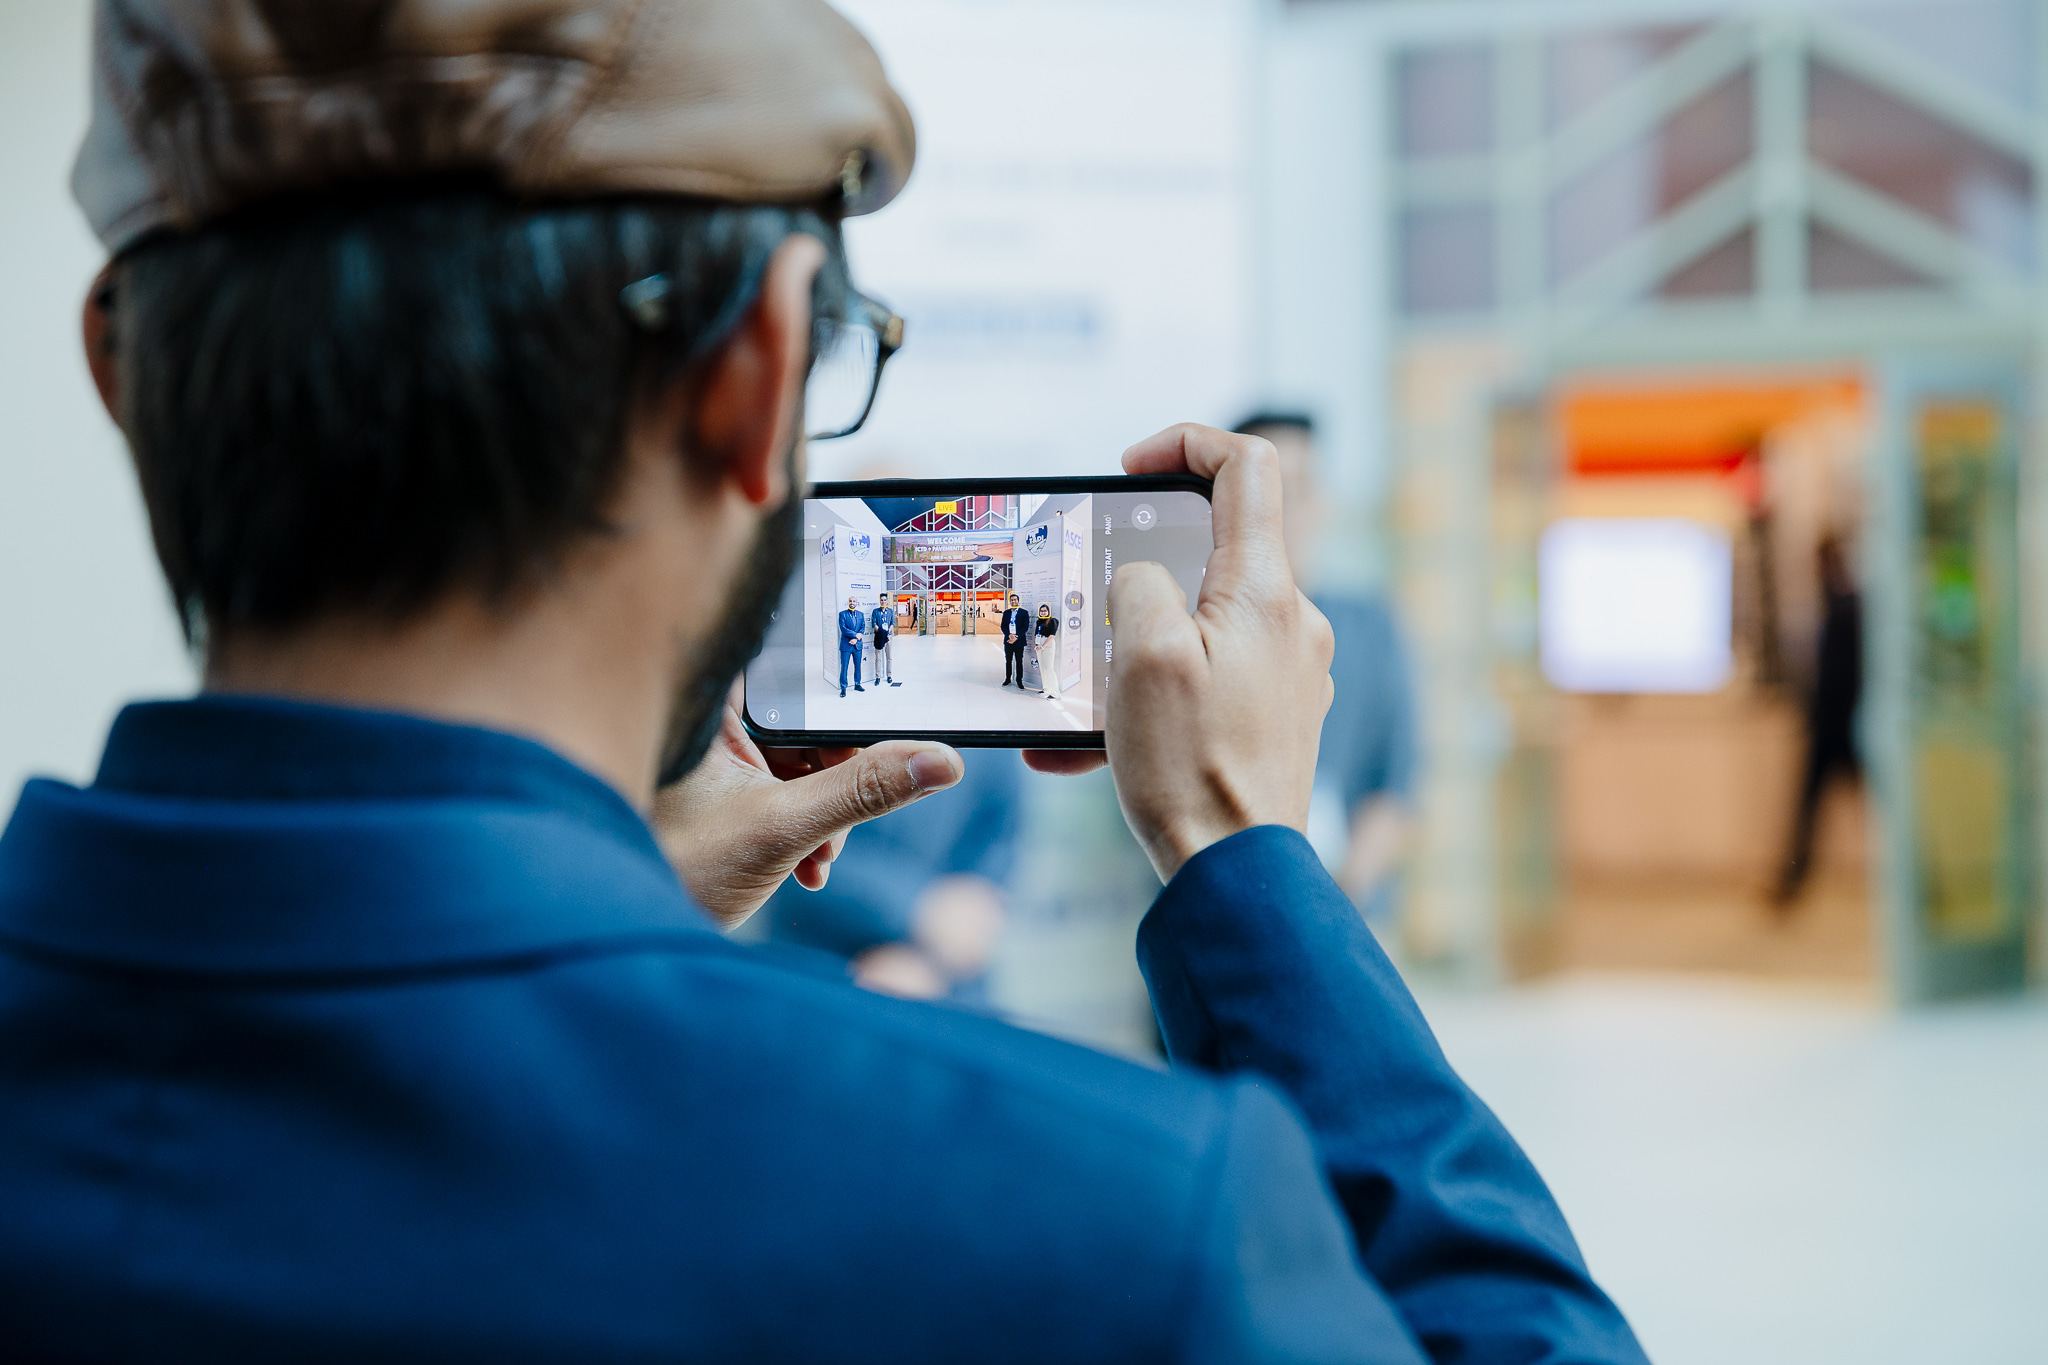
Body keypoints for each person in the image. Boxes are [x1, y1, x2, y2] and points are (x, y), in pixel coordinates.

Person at [0, 4, 1647, 1361]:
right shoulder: (1117, 1232)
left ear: (117, 369)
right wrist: (1243, 860)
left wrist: (600, 906)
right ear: (760, 369)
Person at [1236, 411, 1419, 925]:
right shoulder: (1197, 638)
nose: (1285, 509)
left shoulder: (1371, 628)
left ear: (1324, 501)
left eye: (1299, 488)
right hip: (1229, 919)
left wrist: (1338, 900)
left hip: (1349, 916)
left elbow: (1398, 778)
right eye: (1266, 490)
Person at [759, 750, 1023, 1004]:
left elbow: (995, 850)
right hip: (817, 964)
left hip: (945, 976)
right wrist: (918, 908)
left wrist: (927, 960)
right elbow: (786, 843)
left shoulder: (990, 720)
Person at [1773, 533, 1863, 911]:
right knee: (1806, 811)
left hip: (1842, 730)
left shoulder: (1844, 607)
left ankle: (1929, 878)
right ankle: (1790, 884)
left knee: (1809, 810)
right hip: (1829, 730)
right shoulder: (1836, 607)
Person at [838, 593, 867, 697]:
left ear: (856, 603)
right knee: (844, 667)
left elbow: (862, 627)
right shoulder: (842, 614)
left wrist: (856, 639)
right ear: (848, 602)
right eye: (850, 601)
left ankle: (857, 684)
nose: (852, 603)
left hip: (857, 645)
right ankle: (843, 688)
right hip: (846, 645)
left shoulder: (860, 614)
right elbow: (843, 628)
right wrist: (855, 635)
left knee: (858, 666)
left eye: (854, 601)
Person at [871, 592, 901, 687]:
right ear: (879, 601)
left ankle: (889, 675)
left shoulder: (891, 611)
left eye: (885, 600)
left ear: (887, 601)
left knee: (889, 657)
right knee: (878, 658)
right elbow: (874, 624)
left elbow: (892, 623)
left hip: (888, 636)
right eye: (881, 600)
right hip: (879, 637)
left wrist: (888, 632)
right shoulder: (875, 612)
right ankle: (878, 677)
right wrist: (881, 632)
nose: (883, 602)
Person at [999, 592, 1030, 686]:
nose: (1013, 601)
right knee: (1008, 661)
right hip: (1008, 641)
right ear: (1010, 601)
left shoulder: (1024, 613)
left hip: (1019, 641)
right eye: (1012, 600)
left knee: (1019, 661)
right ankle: (1008, 678)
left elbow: (1025, 627)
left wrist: (1016, 637)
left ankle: (1019, 680)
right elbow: (1003, 626)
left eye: (1015, 600)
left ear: (1018, 601)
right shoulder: (1006, 613)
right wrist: (1009, 635)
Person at [1033, 602, 1062, 700]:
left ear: (1048, 611)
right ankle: (1046, 689)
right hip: (1039, 645)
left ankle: (1055, 693)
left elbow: (1052, 636)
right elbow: (1035, 634)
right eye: (1041, 611)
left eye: (1045, 611)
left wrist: (1043, 646)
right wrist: (1036, 645)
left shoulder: (1053, 621)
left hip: (1047, 645)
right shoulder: (1039, 621)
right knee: (1042, 668)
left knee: (1049, 668)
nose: (1043, 612)